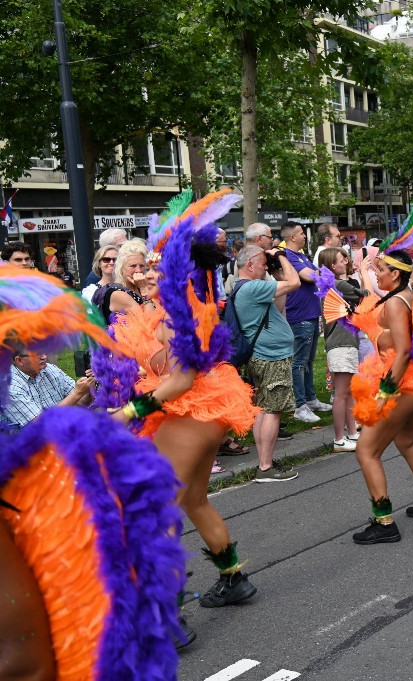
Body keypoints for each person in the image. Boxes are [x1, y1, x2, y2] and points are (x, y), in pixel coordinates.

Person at [0, 264, 185, 674]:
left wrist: (119, 398)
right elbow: (44, 430)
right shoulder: (12, 385)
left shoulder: (41, 370)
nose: (42, 352)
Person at [109, 189, 263, 618]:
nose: (147, 272)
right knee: (194, 499)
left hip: (193, 407)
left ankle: (166, 614)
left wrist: (130, 410)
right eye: (146, 267)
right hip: (209, 407)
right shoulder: (182, 303)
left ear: (178, 267)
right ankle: (233, 577)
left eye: (157, 265)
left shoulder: (180, 311)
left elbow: (180, 379)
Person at [349, 209, 413, 545]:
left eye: (380, 269)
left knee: (366, 450)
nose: (377, 274)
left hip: (406, 384)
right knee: (405, 440)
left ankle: (384, 522)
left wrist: (385, 390)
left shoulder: (395, 304)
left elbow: (405, 351)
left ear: (395, 273)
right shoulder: (407, 297)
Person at [234, 244, 301, 481]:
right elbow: (295, 282)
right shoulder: (252, 287)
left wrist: (275, 272)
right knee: (274, 410)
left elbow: (281, 301)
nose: (265, 266)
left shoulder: (246, 287)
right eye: (262, 263)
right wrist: (282, 256)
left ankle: (265, 460)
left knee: (263, 409)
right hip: (271, 357)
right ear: (249, 264)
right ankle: (265, 467)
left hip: (263, 355)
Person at [281, 222, 332, 423]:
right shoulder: (289, 256)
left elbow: (316, 273)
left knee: (309, 362)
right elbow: (309, 276)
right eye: (302, 233)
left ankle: (310, 399)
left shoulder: (302, 255)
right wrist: (324, 275)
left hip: (310, 315)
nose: (305, 236)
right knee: (299, 363)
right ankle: (299, 405)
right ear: (292, 237)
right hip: (299, 317)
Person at [319, 246, 367, 451]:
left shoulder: (334, 283)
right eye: (342, 259)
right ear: (332, 265)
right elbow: (365, 294)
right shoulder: (337, 284)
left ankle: (352, 432)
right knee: (341, 394)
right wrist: (363, 271)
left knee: (346, 393)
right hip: (341, 344)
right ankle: (339, 438)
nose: (346, 262)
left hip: (345, 342)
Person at [0, 344, 94, 429]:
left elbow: (81, 403)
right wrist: (77, 393)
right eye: (38, 354)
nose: (44, 357)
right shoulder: (10, 386)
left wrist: (90, 387)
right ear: (19, 360)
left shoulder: (50, 369)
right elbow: (40, 425)